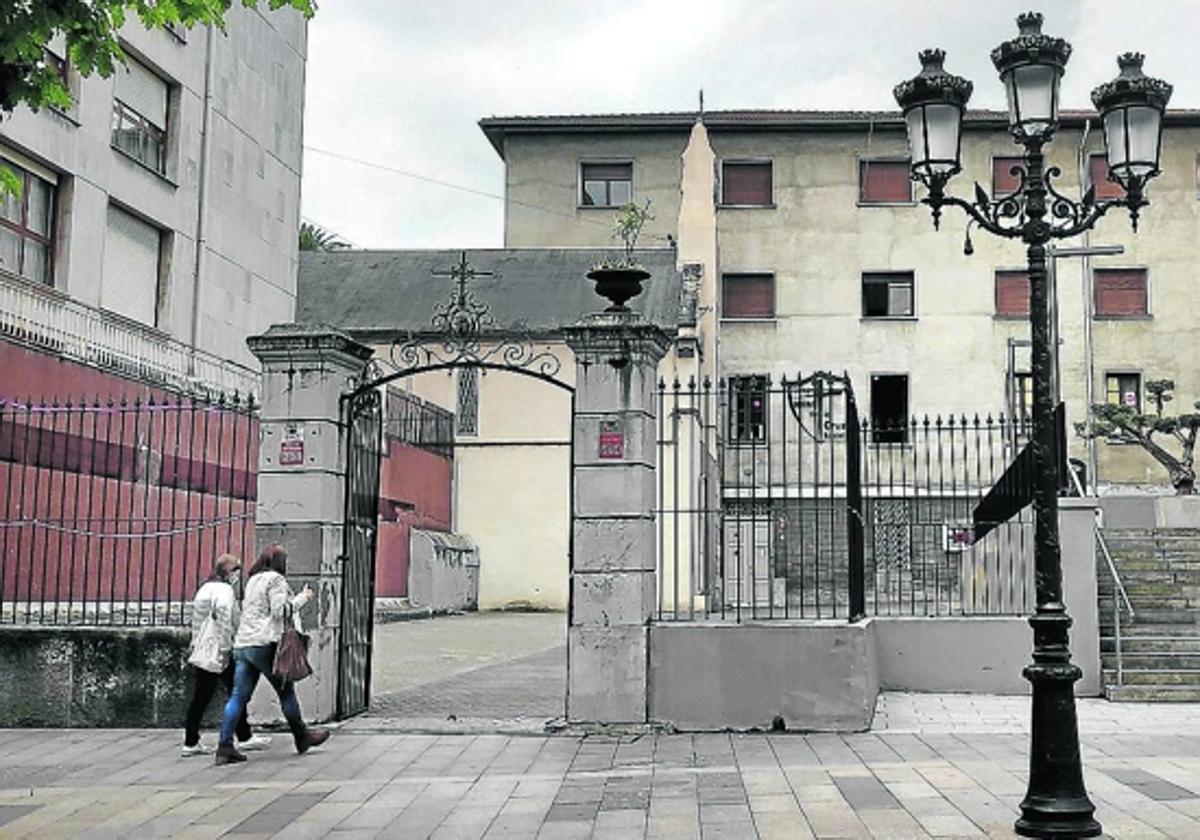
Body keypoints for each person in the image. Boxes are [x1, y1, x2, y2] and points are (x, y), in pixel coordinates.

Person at [215, 544, 330, 765]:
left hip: (244, 643)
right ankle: (301, 736)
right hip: (264, 643)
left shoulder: (253, 580)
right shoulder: (276, 580)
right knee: (285, 690)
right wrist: (303, 598)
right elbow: (280, 611)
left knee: (238, 696)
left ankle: (225, 745)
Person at [182, 554, 272, 756]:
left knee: (202, 697)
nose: (238, 576)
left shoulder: (204, 588)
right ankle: (243, 736)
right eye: (236, 571)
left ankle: (191, 740)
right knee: (237, 693)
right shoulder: (225, 591)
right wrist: (226, 647)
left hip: (204, 650)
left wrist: (195, 643)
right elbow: (224, 618)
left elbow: (197, 622)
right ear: (230, 572)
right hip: (221, 651)